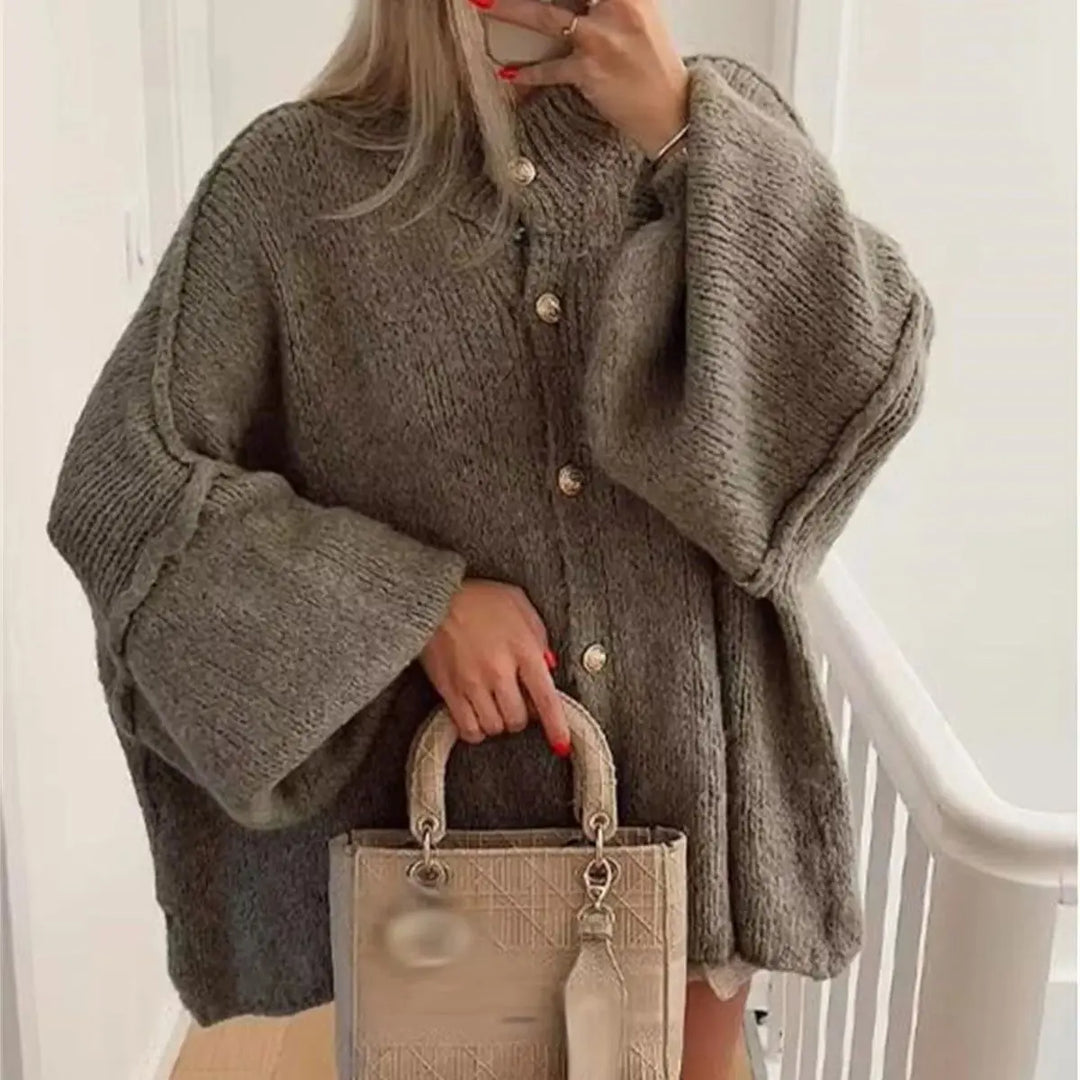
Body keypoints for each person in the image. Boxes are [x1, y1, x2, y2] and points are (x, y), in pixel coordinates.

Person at [46, 0, 933, 1076]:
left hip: (696, 836)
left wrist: (682, 132)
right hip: (450, 866)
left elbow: (857, 382)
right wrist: (410, 605)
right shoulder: (289, 188)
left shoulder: (715, 128)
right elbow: (122, 490)